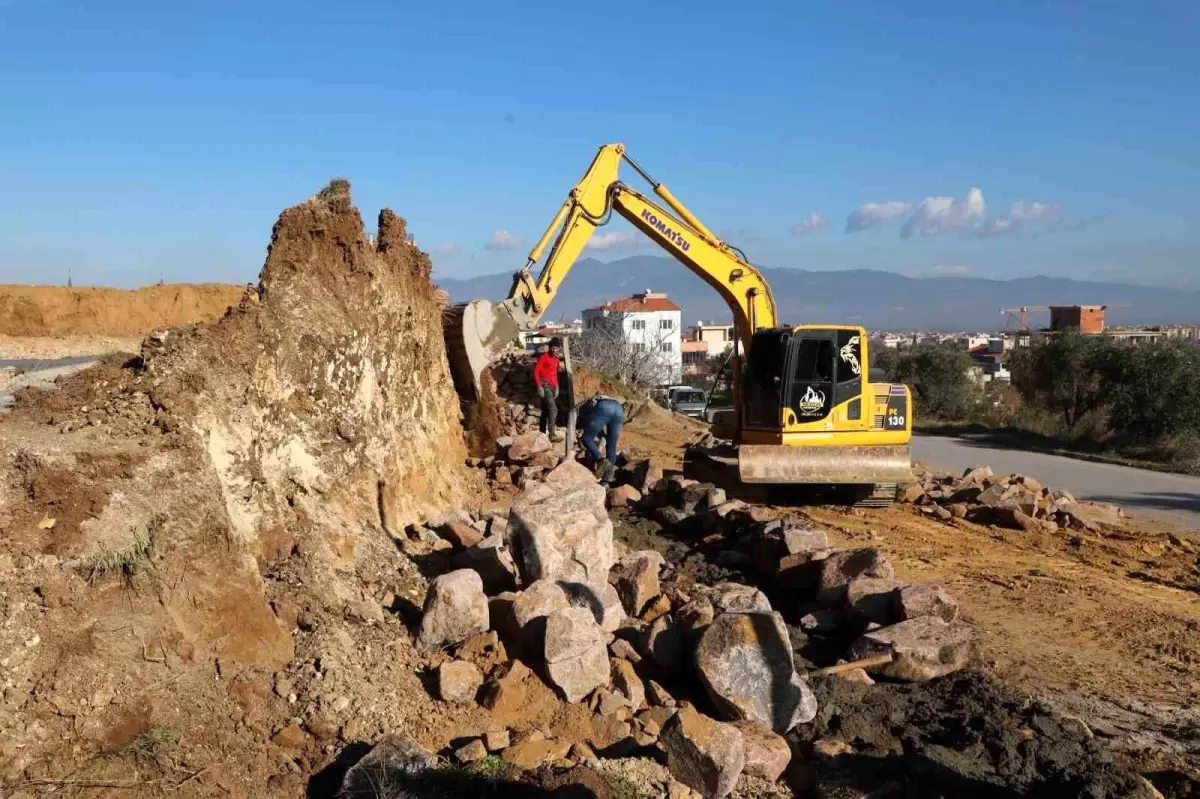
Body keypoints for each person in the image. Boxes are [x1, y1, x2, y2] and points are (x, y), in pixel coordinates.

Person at [575, 394, 625, 484]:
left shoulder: (575, 411)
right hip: (619, 409)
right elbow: (601, 434)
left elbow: (571, 426)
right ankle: (606, 480)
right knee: (611, 445)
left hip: (604, 407)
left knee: (586, 438)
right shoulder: (588, 404)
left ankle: (601, 460)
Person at [533, 338, 564, 442]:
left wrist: (557, 387)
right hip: (545, 385)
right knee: (553, 409)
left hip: (552, 386)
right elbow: (536, 372)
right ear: (549, 347)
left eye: (556, 348)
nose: (554, 349)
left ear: (559, 348)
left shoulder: (556, 358)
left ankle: (542, 432)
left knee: (546, 410)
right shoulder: (544, 357)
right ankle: (552, 435)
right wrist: (539, 387)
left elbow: (555, 374)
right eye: (552, 347)